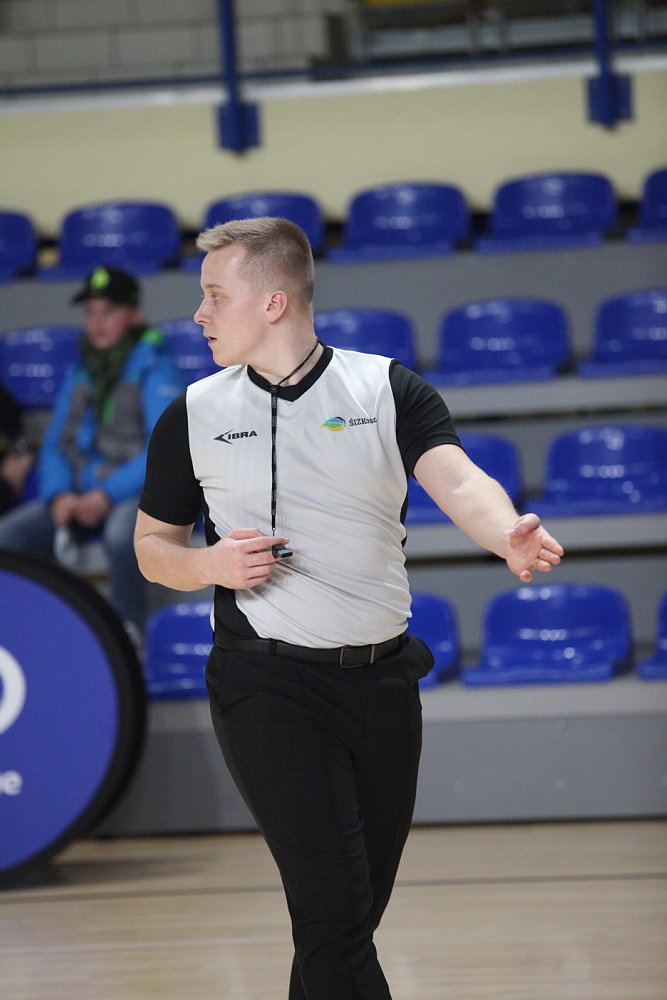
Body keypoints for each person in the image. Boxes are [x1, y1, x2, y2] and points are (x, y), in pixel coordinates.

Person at [134, 217, 564, 1000]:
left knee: (346, 920)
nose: (198, 314)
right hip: (266, 684)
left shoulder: (386, 389)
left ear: (272, 302)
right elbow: (151, 546)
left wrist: (506, 532)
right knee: (333, 916)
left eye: (215, 296)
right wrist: (207, 565)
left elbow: (457, 479)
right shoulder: (191, 413)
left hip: (382, 685)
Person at [0, 265, 185, 636]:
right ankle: (30, 631)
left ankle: (129, 630)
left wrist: (106, 494)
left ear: (134, 314)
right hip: (77, 493)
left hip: (135, 493)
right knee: (8, 536)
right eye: (91, 312)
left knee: (123, 534)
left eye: (109, 312)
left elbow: (164, 449)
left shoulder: (156, 366)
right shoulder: (81, 369)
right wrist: (58, 494)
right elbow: (54, 443)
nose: (97, 323)